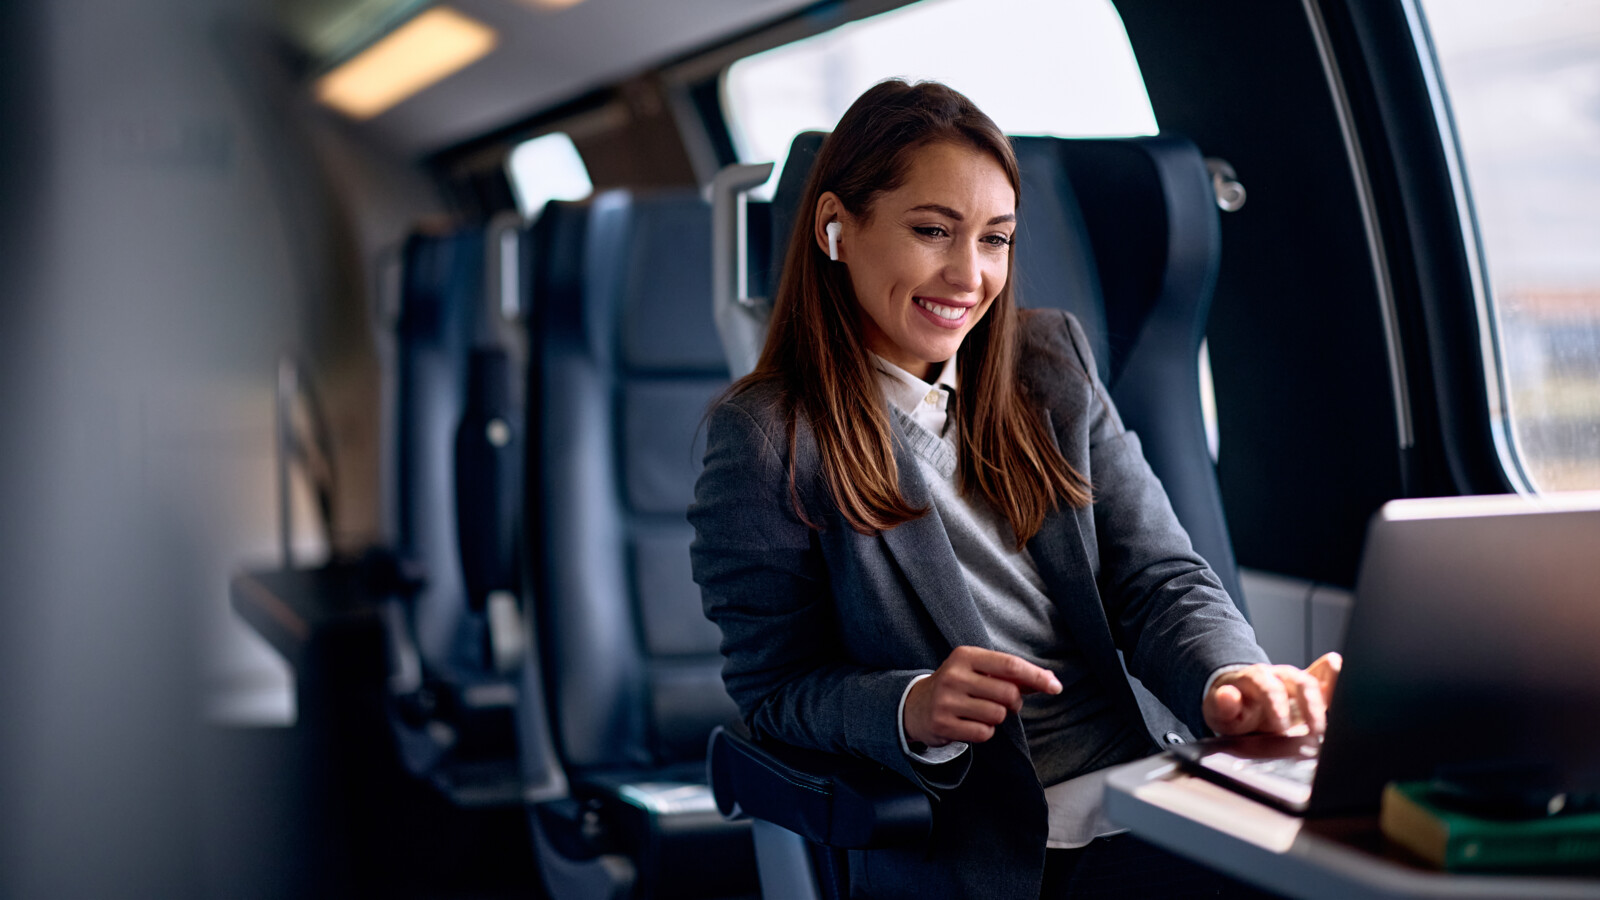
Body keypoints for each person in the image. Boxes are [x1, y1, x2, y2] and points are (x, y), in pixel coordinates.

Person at [689, 79, 1339, 899]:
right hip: (992, 843)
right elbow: (773, 690)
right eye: (933, 231)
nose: (969, 275)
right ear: (835, 229)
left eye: (995, 239)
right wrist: (910, 707)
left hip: (1154, 797)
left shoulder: (1050, 362)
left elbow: (1159, 579)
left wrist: (1229, 682)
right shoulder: (766, 437)